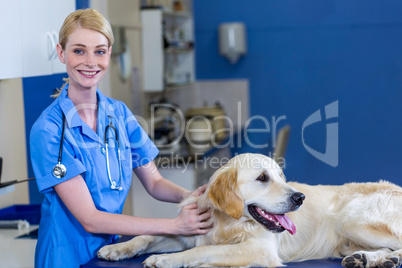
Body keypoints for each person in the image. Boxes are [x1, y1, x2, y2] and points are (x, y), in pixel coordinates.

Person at [30, 8, 212, 268]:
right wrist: (175, 226)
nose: (91, 62)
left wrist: (192, 196)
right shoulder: (48, 131)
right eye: (79, 50)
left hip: (110, 251)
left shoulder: (120, 114)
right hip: (65, 257)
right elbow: (90, 218)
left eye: (100, 51)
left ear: (109, 54)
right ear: (61, 53)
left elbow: (155, 182)